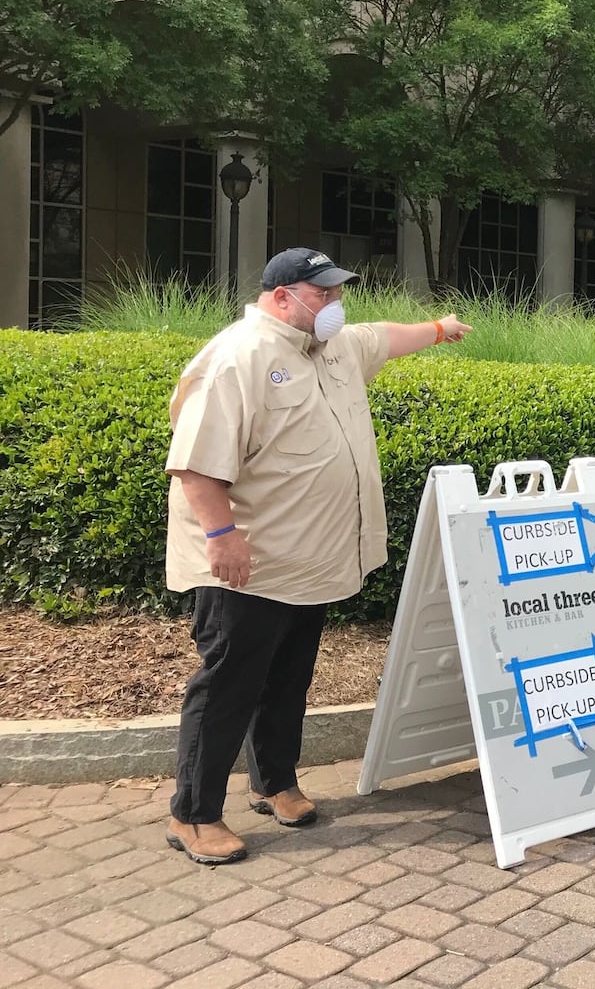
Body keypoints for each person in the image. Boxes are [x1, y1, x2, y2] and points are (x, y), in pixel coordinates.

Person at [163, 247, 472, 864]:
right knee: (228, 686)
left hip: (309, 562)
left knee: (288, 678)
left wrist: (440, 330)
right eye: (323, 294)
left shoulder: (331, 347)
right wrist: (222, 538)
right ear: (283, 296)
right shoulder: (238, 358)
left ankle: (274, 782)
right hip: (248, 564)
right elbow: (196, 465)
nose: (334, 305)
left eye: (336, 293)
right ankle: (193, 815)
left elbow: (383, 336)